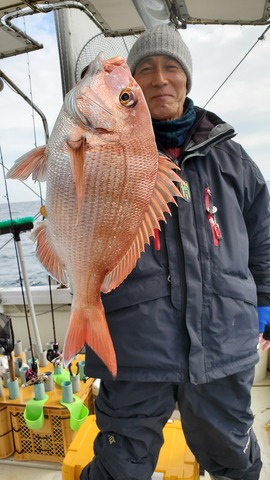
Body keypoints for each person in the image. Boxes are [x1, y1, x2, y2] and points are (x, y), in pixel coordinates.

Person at [80, 23, 270, 480]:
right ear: (132, 86)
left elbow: (263, 239)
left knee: (232, 456)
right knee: (119, 463)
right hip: (134, 344)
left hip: (224, 340)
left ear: (187, 78)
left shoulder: (234, 159)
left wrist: (265, 304)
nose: (160, 78)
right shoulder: (103, 151)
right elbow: (76, 213)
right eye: (146, 70)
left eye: (171, 68)